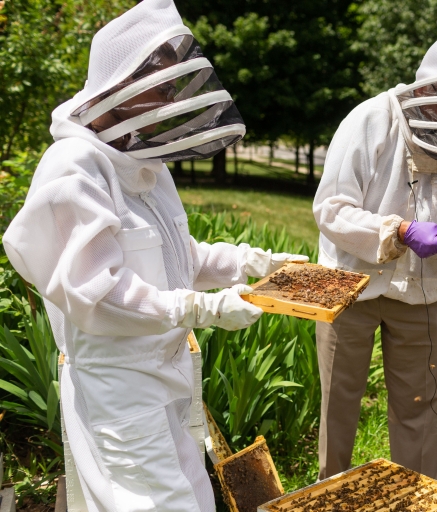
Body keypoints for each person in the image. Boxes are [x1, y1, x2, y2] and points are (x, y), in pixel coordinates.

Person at [2, 1, 307, 510]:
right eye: (161, 85)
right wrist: (201, 309)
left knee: (193, 497)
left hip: (167, 370)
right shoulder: (74, 167)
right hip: (118, 385)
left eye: (173, 85)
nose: (171, 98)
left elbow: (175, 256)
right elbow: (97, 295)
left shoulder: (145, 167)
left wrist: (256, 262)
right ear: (120, 85)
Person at [312, 24, 437, 481]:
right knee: (340, 398)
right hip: (351, 283)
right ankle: (328, 492)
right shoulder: (370, 119)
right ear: (425, 87)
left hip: (424, 292)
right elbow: (330, 209)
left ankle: (415, 496)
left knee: (419, 403)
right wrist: (398, 230)